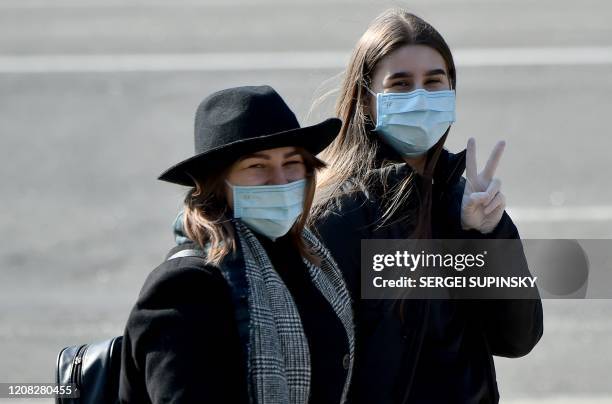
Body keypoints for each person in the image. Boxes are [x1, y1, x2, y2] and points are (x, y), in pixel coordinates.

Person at [310, 9, 543, 404]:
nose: (420, 97)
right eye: (400, 85)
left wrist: (488, 237)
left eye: (434, 82)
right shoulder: (340, 214)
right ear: (365, 101)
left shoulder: (459, 197)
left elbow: (518, 338)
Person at [119, 85, 355, 404]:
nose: (281, 180)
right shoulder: (186, 286)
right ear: (217, 184)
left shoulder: (307, 259)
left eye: (291, 163)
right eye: (257, 167)